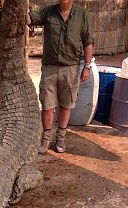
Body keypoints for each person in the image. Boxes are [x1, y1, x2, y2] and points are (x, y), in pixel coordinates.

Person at [28, 0, 94, 153]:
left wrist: (87, 66)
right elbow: (30, 19)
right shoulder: (48, 12)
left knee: (66, 104)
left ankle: (60, 138)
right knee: (47, 104)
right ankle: (45, 139)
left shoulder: (82, 14)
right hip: (49, 68)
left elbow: (88, 42)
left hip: (71, 68)